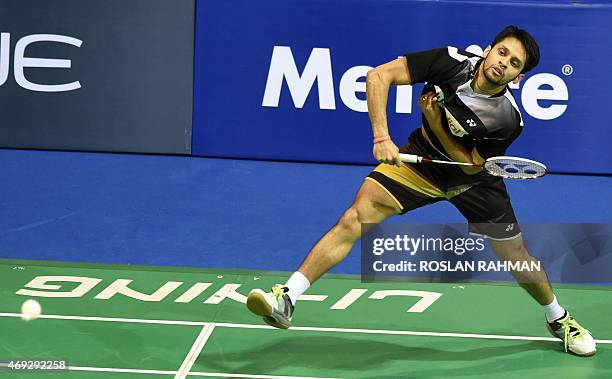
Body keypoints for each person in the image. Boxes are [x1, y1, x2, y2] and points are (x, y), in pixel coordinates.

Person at [246, 25, 596, 356]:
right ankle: (287, 298)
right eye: (502, 52)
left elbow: (470, 165)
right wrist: (382, 136)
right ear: (488, 51)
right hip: (420, 164)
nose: (503, 62)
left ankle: (558, 318)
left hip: (472, 181)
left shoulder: (508, 118)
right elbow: (378, 76)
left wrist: (434, 122)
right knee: (355, 218)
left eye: (514, 63)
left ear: (517, 78)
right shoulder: (449, 62)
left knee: (516, 258)